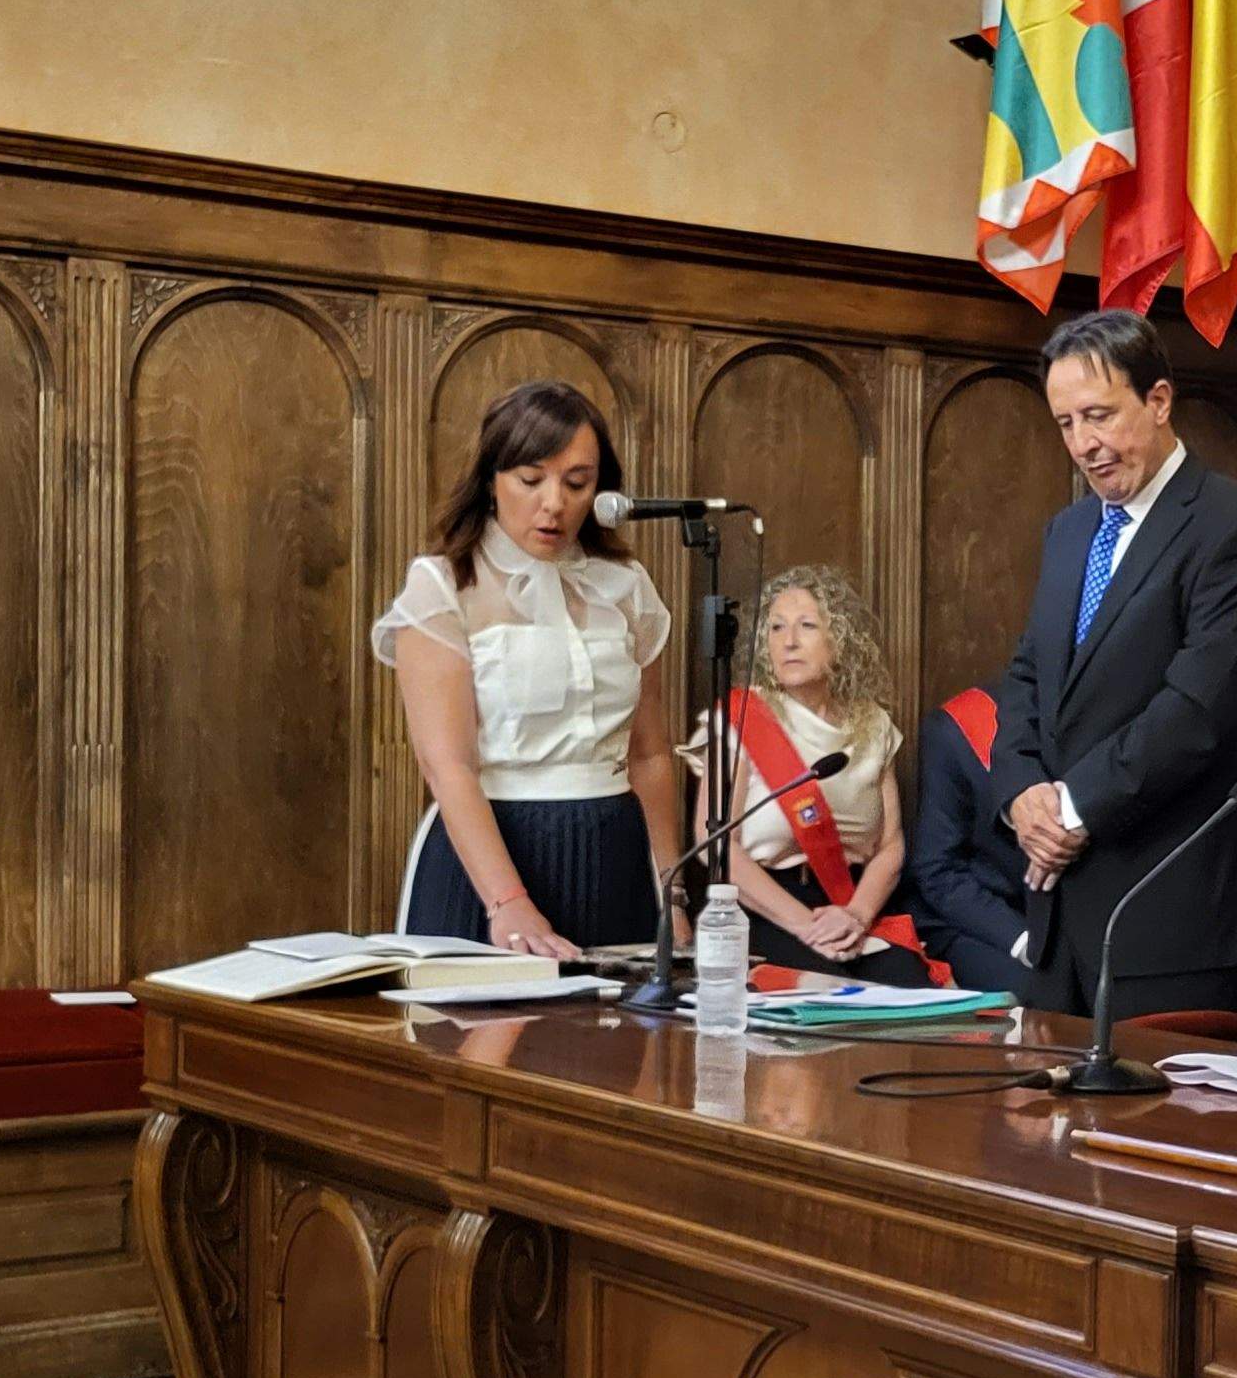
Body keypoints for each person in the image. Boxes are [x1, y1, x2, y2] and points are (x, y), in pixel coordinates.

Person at [988, 310, 1237, 1020]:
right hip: (1056, 915)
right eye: (1065, 423)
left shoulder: (1235, 529)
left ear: (1158, 401)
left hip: (1168, 919)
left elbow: (1196, 712)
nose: (1084, 445)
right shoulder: (1068, 532)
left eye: (1099, 415)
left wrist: (1068, 809)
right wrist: (1022, 794)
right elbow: (1028, 679)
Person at [376, 381, 679, 957]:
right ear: (492, 479)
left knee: (613, 1043)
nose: (554, 504)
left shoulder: (625, 586)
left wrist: (673, 894)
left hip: (613, 852)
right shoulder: (442, 586)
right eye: (531, 479)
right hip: (487, 861)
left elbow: (650, 755)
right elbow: (449, 768)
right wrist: (508, 901)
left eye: (577, 483)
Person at [688, 566, 931, 985]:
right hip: (766, 910)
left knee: (910, 985)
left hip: (851, 907)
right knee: (828, 991)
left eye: (807, 626)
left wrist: (855, 915)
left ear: (840, 640)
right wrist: (805, 925)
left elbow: (890, 847)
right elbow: (716, 845)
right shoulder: (743, 718)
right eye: (777, 628)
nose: (789, 641)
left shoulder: (873, 725)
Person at [910, 685, 1031, 993]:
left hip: (1080, 925)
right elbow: (938, 868)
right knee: (1042, 998)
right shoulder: (957, 728)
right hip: (984, 919)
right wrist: (1024, 941)